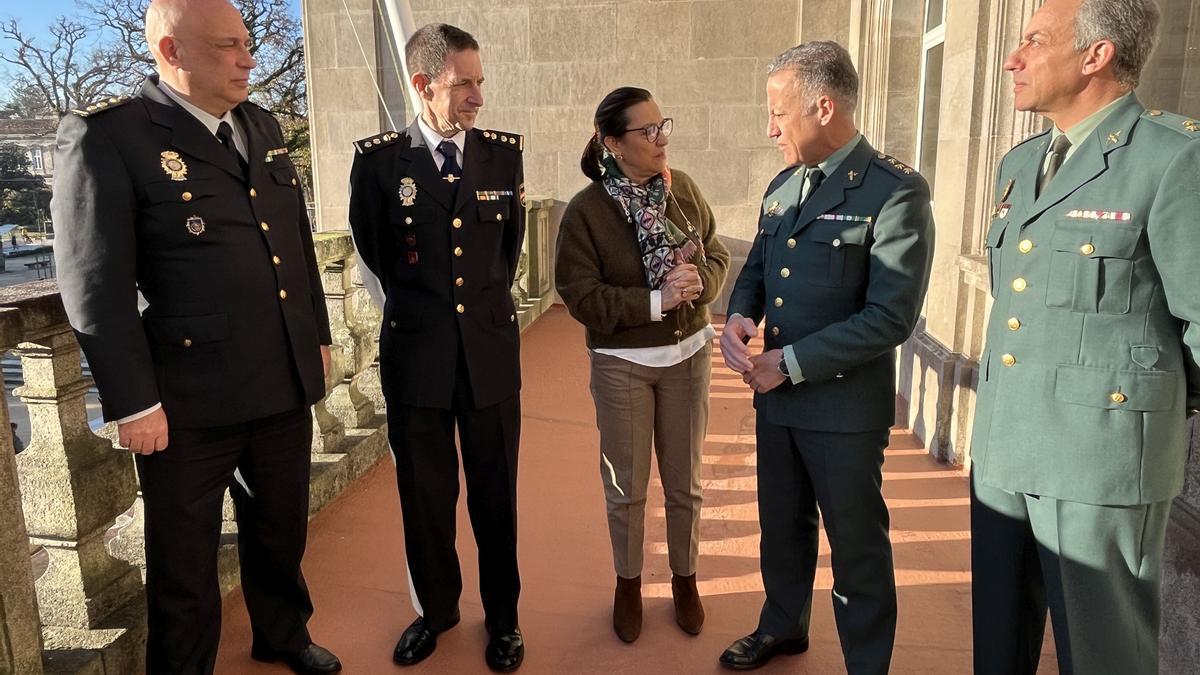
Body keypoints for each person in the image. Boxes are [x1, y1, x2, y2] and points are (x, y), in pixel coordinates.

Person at [50, 1, 340, 673]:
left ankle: (283, 634)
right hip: (187, 401)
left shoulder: (261, 125)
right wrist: (131, 401)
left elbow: (294, 242)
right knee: (183, 562)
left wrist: (316, 334)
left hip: (279, 379)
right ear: (172, 52)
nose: (248, 59)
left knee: (280, 532)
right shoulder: (111, 136)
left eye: (248, 43)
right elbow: (94, 282)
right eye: (228, 46)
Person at [971, 1, 1199, 673]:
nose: (1013, 58)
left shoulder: (1173, 158)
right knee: (998, 653)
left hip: (1100, 467)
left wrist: (1141, 417)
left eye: (1034, 42)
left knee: (1107, 659)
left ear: (1096, 55)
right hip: (1006, 452)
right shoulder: (1020, 162)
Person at [717, 41, 935, 673]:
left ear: (822, 105)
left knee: (857, 546)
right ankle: (783, 626)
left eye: (778, 113)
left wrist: (786, 363)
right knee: (781, 530)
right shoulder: (785, 185)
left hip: (842, 409)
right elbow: (758, 268)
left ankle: (867, 661)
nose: (769, 128)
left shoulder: (895, 193)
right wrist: (739, 315)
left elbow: (890, 317)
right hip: (778, 402)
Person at [348, 23, 526, 672]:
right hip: (416, 360)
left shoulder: (503, 156)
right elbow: (374, 255)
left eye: (481, 80)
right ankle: (437, 609)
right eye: (465, 83)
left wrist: (473, 317)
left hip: (489, 357)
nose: (479, 96)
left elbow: (504, 256)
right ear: (423, 85)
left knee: (495, 497)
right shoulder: (377, 163)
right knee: (425, 500)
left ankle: (503, 619)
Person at [555, 87, 730, 644]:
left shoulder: (685, 192)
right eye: (647, 131)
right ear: (613, 143)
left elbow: (717, 252)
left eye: (663, 127)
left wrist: (701, 284)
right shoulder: (586, 211)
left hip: (688, 357)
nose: (661, 140)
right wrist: (656, 302)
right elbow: (581, 295)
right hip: (622, 365)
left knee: (685, 484)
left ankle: (685, 580)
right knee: (626, 487)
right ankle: (627, 584)